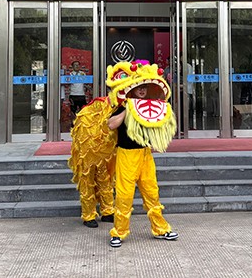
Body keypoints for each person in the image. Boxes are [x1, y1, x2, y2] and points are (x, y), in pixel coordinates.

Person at [105, 60, 178, 248]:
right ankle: (119, 232)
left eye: (145, 88)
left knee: (152, 193)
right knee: (124, 196)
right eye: (139, 88)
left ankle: (161, 229)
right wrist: (128, 109)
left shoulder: (149, 107)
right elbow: (110, 125)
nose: (142, 91)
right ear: (132, 89)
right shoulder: (123, 106)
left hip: (145, 155)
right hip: (126, 155)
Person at [67, 96, 117, 228]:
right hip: (87, 147)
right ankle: (88, 215)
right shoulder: (102, 105)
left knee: (104, 178)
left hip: (102, 147)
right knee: (87, 179)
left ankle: (108, 211)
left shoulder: (118, 104)